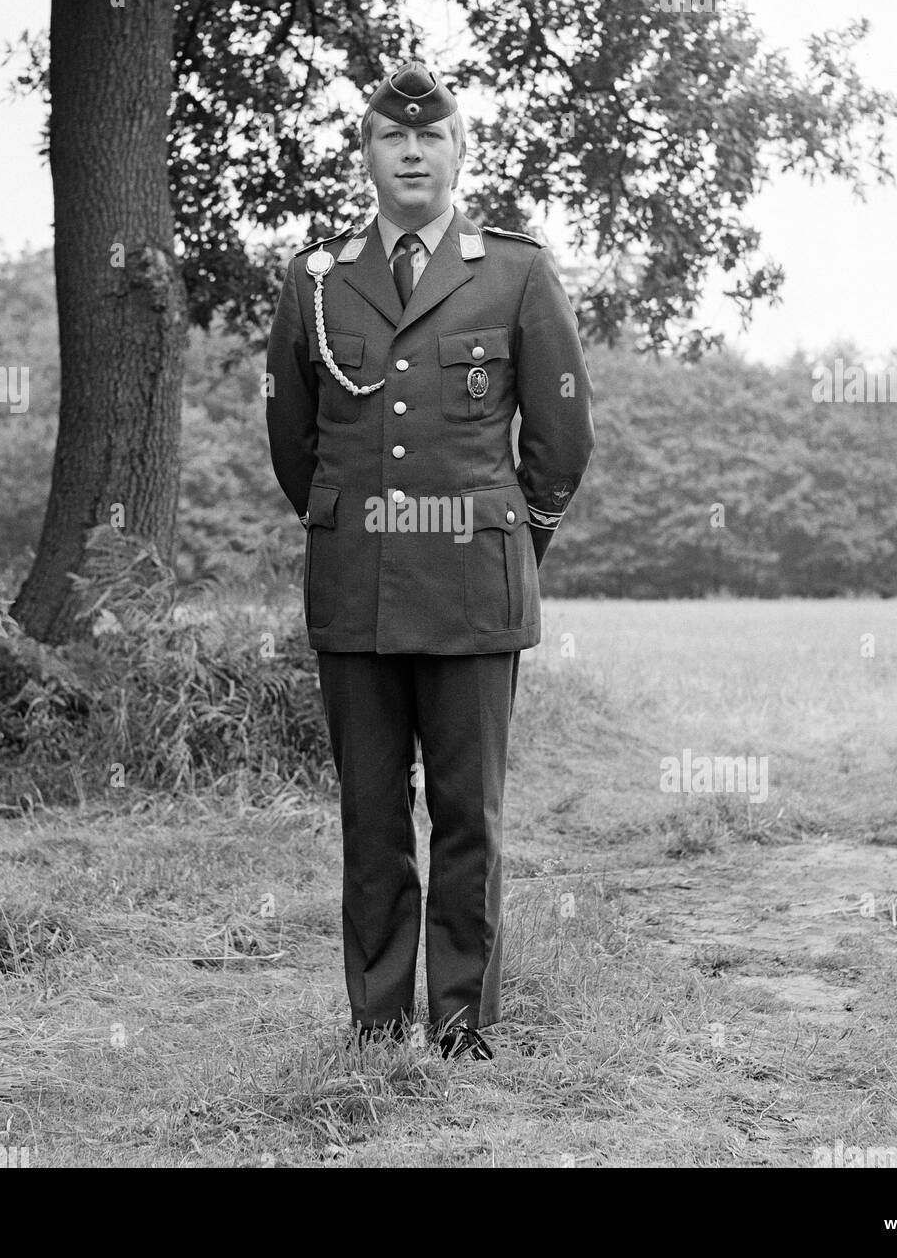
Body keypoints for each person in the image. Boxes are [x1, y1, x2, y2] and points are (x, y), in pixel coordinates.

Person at [265, 60, 595, 1060]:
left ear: (458, 153)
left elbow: (562, 434)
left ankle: (459, 1020)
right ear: (365, 155)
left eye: (432, 137)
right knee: (370, 818)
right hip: (355, 586)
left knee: (468, 817)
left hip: (472, 586)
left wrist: (508, 540)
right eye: (391, 137)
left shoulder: (515, 271)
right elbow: (294, 437)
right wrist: (346, 528)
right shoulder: (316, 278)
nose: (412, 152)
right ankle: (375, 1022)